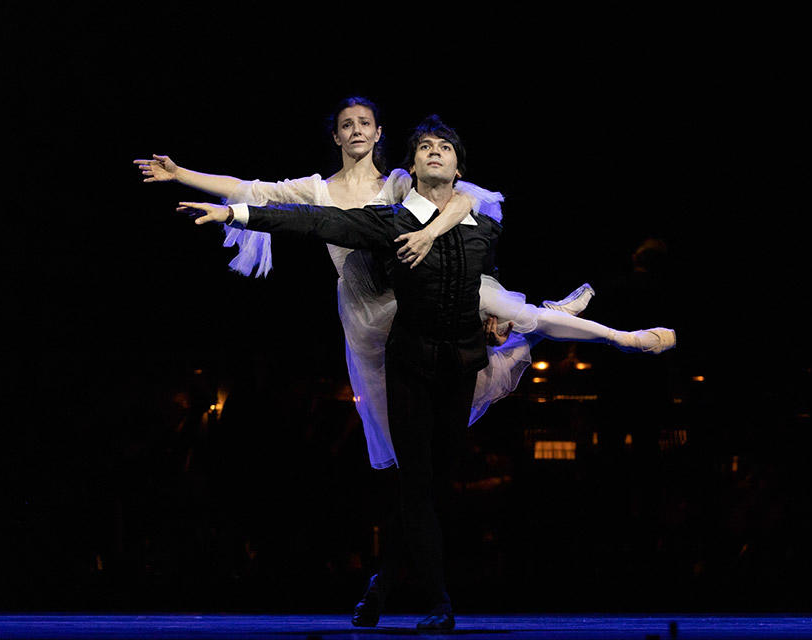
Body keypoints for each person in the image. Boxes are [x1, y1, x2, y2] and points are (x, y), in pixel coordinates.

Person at [177, 115, 674, 630]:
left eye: (444, 148)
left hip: (456, 350)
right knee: (415, 481)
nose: (434, 152)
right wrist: (232, 212)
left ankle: (383, 584)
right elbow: (310, 218)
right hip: (393, 335)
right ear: (408, 164)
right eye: (426, 148)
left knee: (432, 483)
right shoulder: (383, 217)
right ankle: (438, 600)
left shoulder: (463, 217)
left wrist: (468, 276)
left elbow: (468, 212)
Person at [134, 97, 672, 473]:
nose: (356, 130)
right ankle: (524, 333)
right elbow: (251, 189)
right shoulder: (317, 189)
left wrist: (431, 232)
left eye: (365, 122)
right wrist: (182, 175)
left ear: (378, 132)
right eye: (347, 124)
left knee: (502, 304)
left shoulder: (398, 182)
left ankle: (615, 336)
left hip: (417, 282)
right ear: (337, 135)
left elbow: (464, 199)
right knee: (409, 423)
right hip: (368, 307)